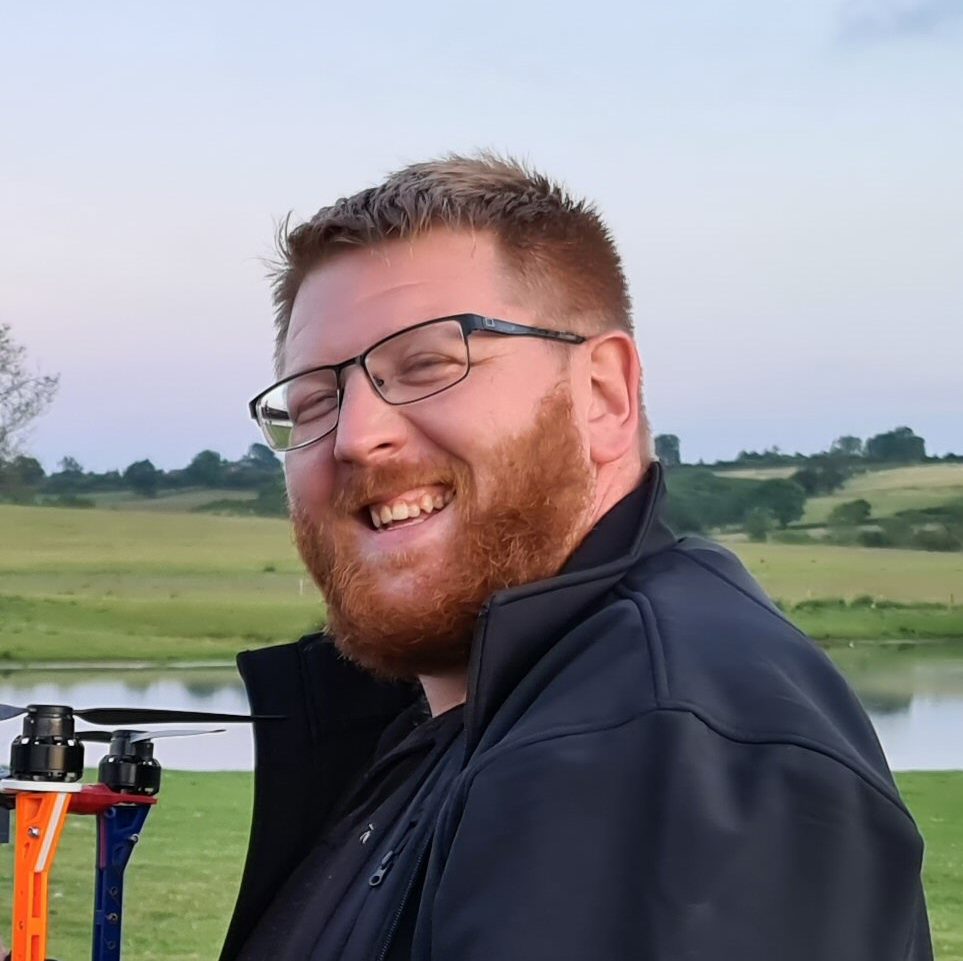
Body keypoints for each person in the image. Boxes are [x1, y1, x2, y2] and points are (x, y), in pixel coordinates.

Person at [221, 154, 932, 961]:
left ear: (602, 394)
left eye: (426, 364)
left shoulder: (648, 748)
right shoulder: (475, 719)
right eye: (314, 400)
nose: (354, 436)